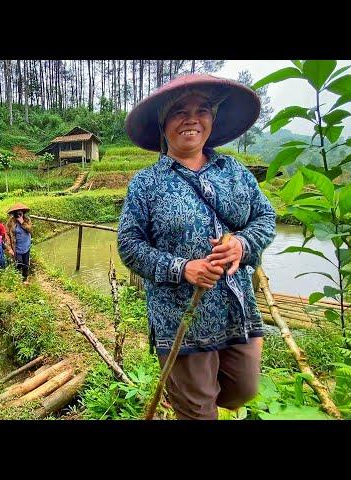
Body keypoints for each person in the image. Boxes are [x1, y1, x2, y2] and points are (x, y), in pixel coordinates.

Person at [117, 74, 277, 420]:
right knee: (198, 412)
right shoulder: (147, 183)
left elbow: (265, 217)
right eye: (179, 111)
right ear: (163, 124)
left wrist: (242, 245)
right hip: (180, 318)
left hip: (237, 308)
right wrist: (182, 268)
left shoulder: (234, 171)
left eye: (201, 109)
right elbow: (128, 245)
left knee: (243, 390)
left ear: (212, 119)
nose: (192, 118)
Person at [5, 202, 33, 283]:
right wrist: (9, 248)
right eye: (17, 213)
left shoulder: (27, 219)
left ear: (23, 212)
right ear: (14, 213)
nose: (19, 214)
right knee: (19, 263)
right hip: (16, 247)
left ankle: (25, 280)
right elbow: (7, 235)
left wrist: (22, 222)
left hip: (26, 246)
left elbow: (30, 230)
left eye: (20, 212)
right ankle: (17, 280)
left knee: (26, 264)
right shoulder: (10, 222)